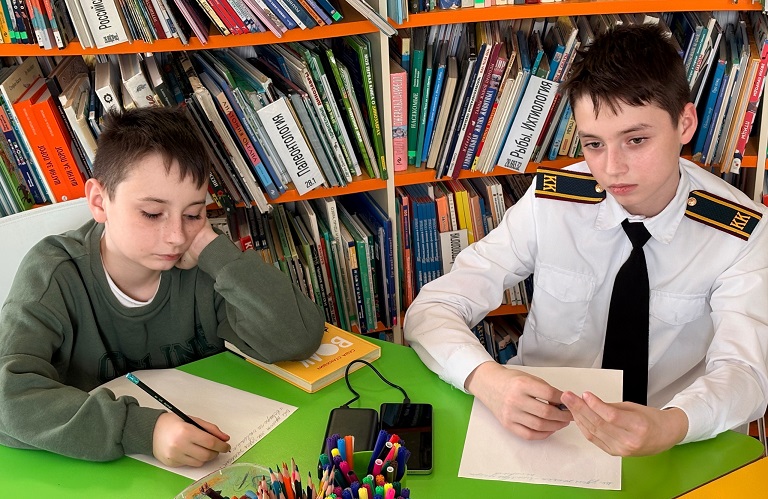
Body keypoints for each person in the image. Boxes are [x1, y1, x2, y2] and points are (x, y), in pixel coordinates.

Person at [404, 23, 768, 457]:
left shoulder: (742, 231)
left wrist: (671, 424)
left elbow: (746, 371)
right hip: (545, 430)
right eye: (594, 144)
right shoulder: (552, 202)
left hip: (669, 434)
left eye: (636, 140)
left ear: (685, 123)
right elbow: (433, 308)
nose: (612, 168)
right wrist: (486, 379)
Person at [0, 106, 325, 466]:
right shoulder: (53, 273)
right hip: (95, 470)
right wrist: (143, 431)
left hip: (212, 455)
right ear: (99, 202)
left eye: (193, 214)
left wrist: (212, 249)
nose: (176, 237)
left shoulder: (204, 262)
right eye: (152, 214)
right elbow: (6, 399)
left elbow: (297, 338)